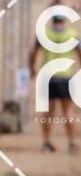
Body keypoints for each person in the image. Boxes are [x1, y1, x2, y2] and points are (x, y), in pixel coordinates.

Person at [29, 13, 81, 154]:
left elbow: (33, 52)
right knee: (68, 111)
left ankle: (46, 142)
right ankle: (72, 143)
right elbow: (80, 53)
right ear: (63, 21)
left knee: (48, 112)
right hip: (66, 77)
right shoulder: (72, 33)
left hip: (47, 77)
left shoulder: (45, 34)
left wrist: (32, 68)